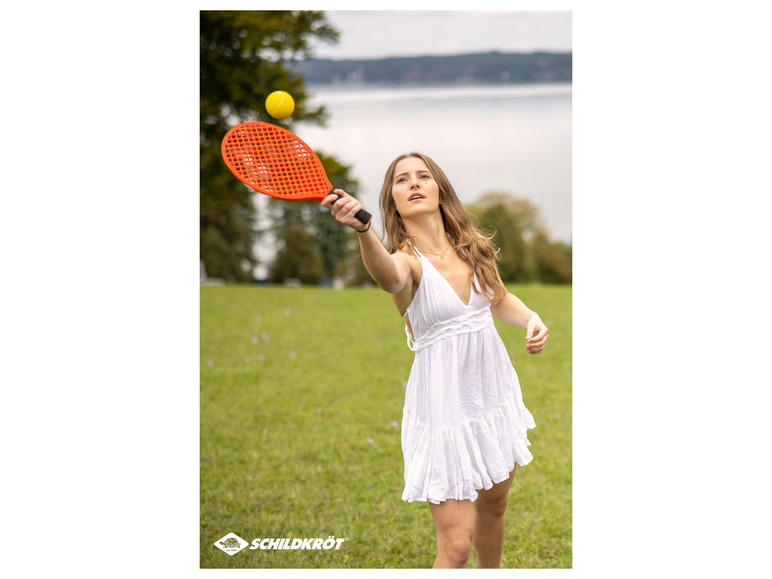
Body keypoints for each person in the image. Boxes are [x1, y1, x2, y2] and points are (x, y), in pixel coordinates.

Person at [321, 152, 548, 569]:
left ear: (439, 189)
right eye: (401, 179)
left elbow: (498, 298)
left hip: (490, 397)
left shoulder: (472, 247)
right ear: (392, 201)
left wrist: (531, 318)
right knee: (457, 546)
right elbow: (388, 276)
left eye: (423, 175)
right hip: (443, 411)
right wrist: (363, 231)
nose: (414, 182)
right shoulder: (406, 263)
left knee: (495, 506)